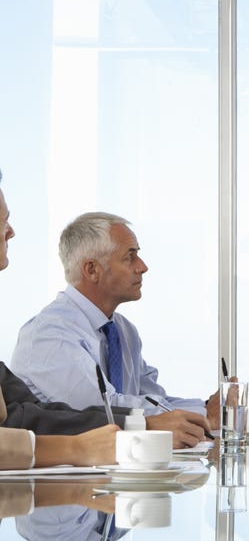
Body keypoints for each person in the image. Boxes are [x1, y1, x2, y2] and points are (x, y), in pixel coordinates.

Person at [10, 211, 217, 445]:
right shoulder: (49, 335)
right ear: (92, 270)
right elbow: (105, 411)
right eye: (130, 257)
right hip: (65, 465)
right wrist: (204, 415)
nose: (143, 267)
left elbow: (155, 401)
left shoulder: (123, 330)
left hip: (118, 459)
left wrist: (208, 408)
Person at [0, 169, 117, 468]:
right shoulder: (49, 331)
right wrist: (76, 448)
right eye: (2, 221)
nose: (11, 232)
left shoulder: (123, 331)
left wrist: (140, 424)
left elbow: (29, 413)